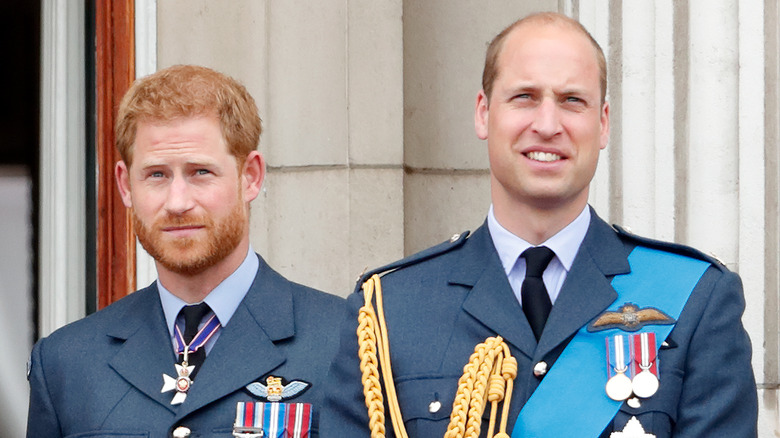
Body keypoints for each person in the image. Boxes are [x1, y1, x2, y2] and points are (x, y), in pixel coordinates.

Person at [322, 12, 757, 438]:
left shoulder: (697, 300)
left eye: (572, 100)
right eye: (524, 97)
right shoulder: (389, 311)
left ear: (602, 123)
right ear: (482, 113)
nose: (548, 125)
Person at [27, 65, 344, 438]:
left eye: (200, 172)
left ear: (251, 177)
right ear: (126, 185)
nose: (178, 202)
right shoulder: (67, 363)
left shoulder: (346, 342)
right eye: (157, 175)